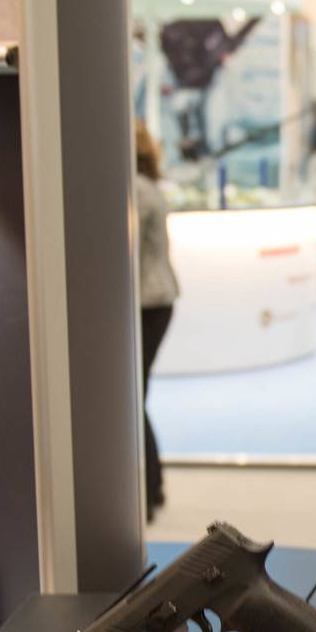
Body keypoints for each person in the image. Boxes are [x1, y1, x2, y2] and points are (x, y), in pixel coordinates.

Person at [133, 121, 179, 521]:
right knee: (135, 394)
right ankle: (154, 488)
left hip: (146, 303)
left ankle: (147, 491)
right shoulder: (148, 186)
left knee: (131, 396)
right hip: (155, 301)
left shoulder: (135, 190)